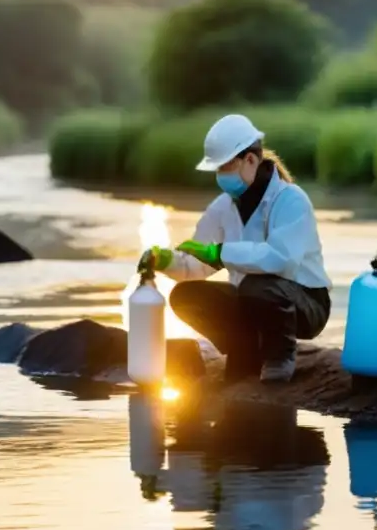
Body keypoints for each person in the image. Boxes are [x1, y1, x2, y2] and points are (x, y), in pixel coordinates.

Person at [138, 113, 332, 384]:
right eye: (217, 170)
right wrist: (167, 260)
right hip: (253, 298)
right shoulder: (223, 207)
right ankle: (244, 348)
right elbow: (196, 267)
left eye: (224, 168)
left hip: (305, 303)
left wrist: (221, 253)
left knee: (258, 285)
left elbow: (281, 260)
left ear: (250, 160)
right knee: (186, 295)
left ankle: (280, 356)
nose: (220, 177)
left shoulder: (291, 200)